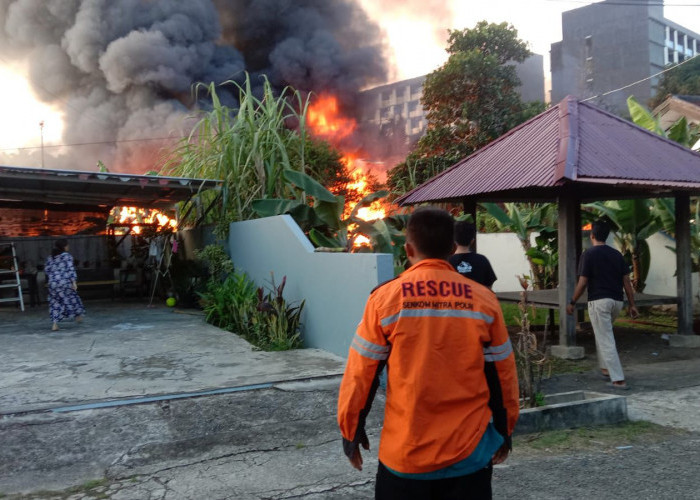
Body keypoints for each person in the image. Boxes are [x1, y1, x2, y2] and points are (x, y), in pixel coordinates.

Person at [337, 207, 519, 500]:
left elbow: (362, 372)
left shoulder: (385, 299)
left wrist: (351, 429)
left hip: (405, 456)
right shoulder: (484, 300)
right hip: (469, 455)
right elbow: (503, 374)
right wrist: (504, 430)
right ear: (451, 248)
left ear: (408, 248)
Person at [566, 220, 639, 390]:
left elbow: (583, 282)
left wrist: (572, 301)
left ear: (592, 235)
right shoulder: (617, 254)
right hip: (616, 302)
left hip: (599, 301)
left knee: (605, 338)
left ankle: (618, 378)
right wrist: (632, 305)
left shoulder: (588, 254)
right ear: (607, 236)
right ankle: (606, 369)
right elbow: (627, 282)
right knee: (603, 332)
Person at [45, 239, 85, 331]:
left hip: (53, 283)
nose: (68, 247)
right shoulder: (67, 256)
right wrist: (74, 282)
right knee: (73, 298)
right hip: (64, 282)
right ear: (64, 246)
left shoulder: (50, 257)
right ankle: (78, 315)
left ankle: (54, 324)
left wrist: (53, 277)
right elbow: (70, 269)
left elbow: (47, 270)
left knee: (55, 303)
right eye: (67, 245)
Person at [449, 221, 497, 288]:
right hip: (479, 298)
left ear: (454, 240)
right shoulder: (482, 260)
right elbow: (488, 288)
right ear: (472, 241)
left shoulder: (447, 263)